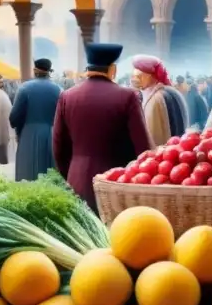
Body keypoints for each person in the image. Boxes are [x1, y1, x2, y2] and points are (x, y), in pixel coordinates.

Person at [53, 43, 151, 208]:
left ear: (88, 68)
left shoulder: (67, 97)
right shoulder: (128, 96)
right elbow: (142, 147)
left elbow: (58, 146)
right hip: (115, 181)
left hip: (77, 179)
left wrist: (70, 173)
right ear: (112, 69)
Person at [9, 58, 62, 181]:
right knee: (52, 177)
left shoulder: (24, 88)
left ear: (35, 70)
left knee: (28, 177)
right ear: (49, 71)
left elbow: (14, 117)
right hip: (53, 136)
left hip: (29, 135)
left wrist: (19, 130)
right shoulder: (59, 90)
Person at [132, 54, 188, 146]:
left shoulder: (155, 99)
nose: (135, 80)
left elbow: (154, 137)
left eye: (138, 76)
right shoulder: (172, 91)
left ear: (149, 76)